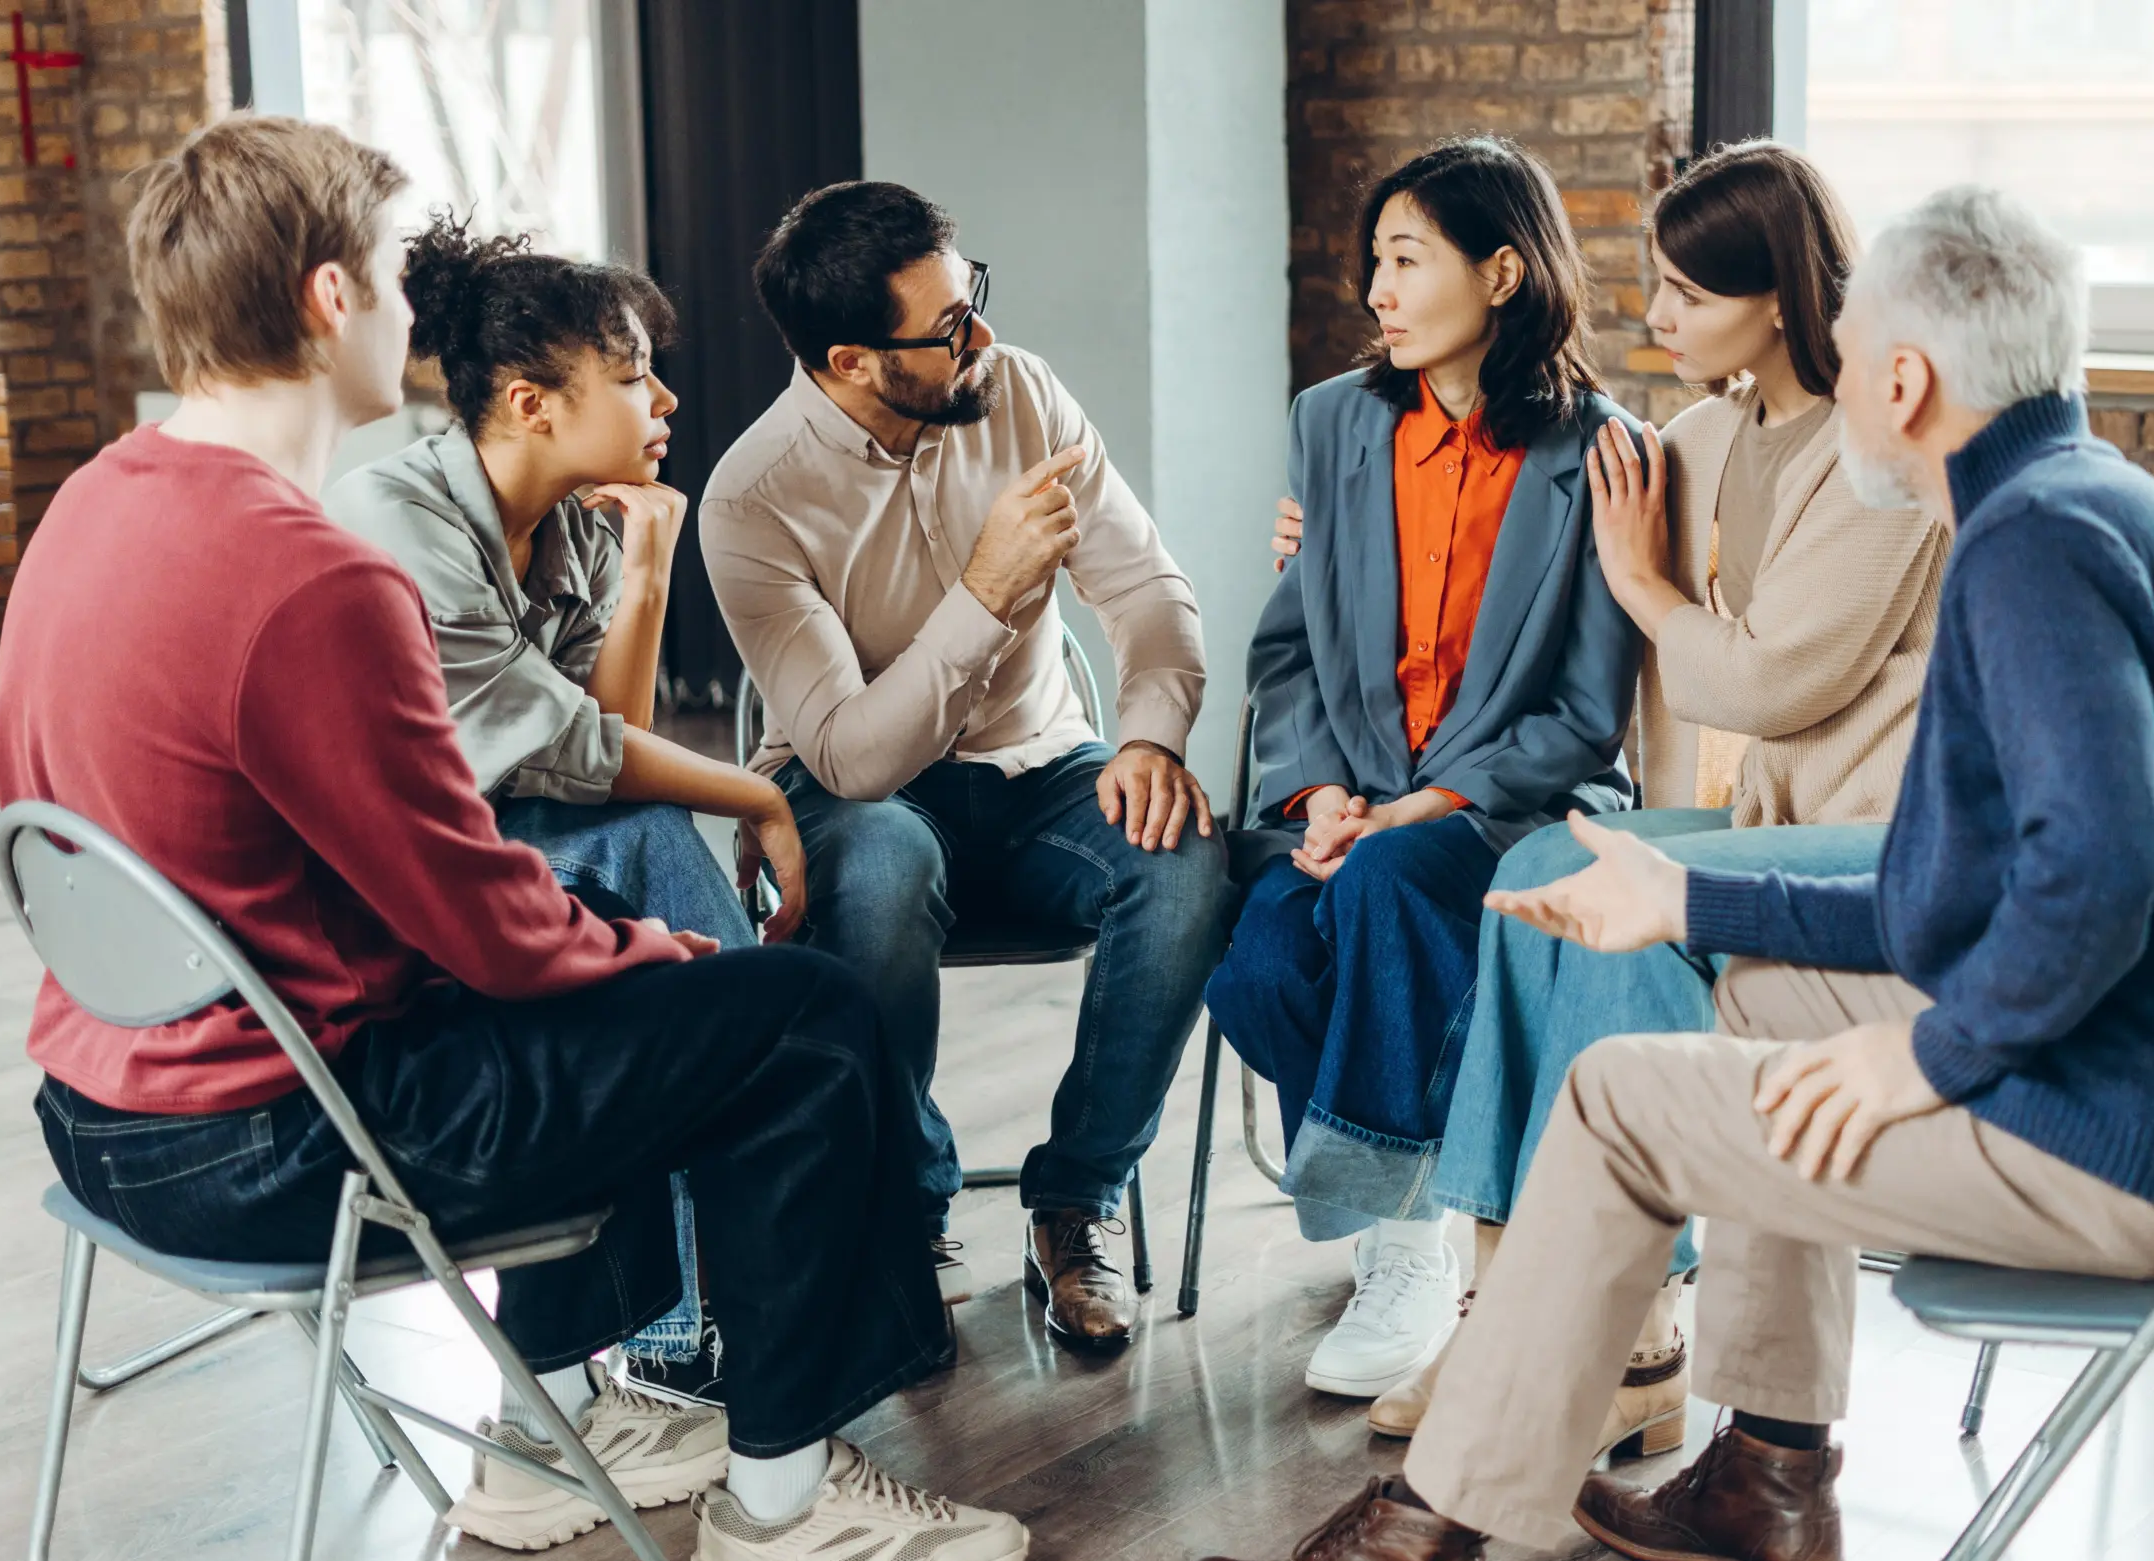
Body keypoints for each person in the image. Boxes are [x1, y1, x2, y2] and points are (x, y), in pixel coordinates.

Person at [1176, 184, 2154, 1561]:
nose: (1830, 368)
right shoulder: (2076, 502)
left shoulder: (2033, 549)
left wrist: (1929, 1053)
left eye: (1850, 343)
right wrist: (1692, 895)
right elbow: (1952, 885)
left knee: (1621, 1098)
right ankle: (1772, 1472)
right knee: (1774, 989)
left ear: (1906, 381)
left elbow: (2104, 877)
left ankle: (1424, 1544)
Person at [0, 115, 1028, 1561]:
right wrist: (682, 964)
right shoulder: (316, 578)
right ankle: (787, 1509)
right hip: (283, 1143)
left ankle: (549, 1432)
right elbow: (491, 932)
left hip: (108, 1112)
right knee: (798, 1021)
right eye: (396, 280)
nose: (421, 315)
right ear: (333, 302)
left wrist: (615, 946)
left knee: (609, 968)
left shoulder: (87, 504)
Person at [1305, 143, 1950, 1458]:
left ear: (1776, 297)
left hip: (1892, 837)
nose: (1651, 317)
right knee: (1544, 869)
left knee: (1626, 907)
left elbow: (1767, 681)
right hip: (1772, 828)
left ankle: (1612, 1322)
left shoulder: (1882, 453)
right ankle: (1512, 1299)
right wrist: (1335, 552)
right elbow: (1643, 667)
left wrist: (1641, 582)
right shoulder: (1708, 433)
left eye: (1683, 295)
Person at [701, 181, 1230, 1349]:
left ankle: (1075, 1198)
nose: (977, 336)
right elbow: (850, 754)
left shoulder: (1020, 392)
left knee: (1189, 852)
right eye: (943, 330)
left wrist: (1146, 734)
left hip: (1044, 772)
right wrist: (986, 593)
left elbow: (1144, 590)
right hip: (859, 794)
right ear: (849, 360)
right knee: (882, 862)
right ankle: (907, 1203)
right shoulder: (752, 498)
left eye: (970, 297)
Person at [329, 213, 812, 1402]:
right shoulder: (399, 517)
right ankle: (739, 1269)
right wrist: (756, 792)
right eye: (635, 373)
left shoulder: (573, 525)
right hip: (399, 885)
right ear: (533, 403)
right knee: (664, 866)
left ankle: (704, 1307)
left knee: (647, 848)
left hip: (512, 838)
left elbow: (610, 740)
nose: (666, 400)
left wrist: (645, 568)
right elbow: (566, 747)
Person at [1203, 136, 1643, 1404]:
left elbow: (1582, 712)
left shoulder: (1599, 452)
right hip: (1351, 805)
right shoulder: (1332, 424)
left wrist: (1422, 804)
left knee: (1386, 884)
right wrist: (1319, 794)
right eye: (1373, 264)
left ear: (1503, 271)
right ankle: (1416, 1224)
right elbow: (1286, 652)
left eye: (1407, 261)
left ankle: (1401, 1256)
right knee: (1269, 960)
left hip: (1511, 806)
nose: (1378, 292)